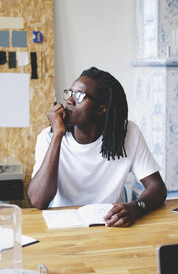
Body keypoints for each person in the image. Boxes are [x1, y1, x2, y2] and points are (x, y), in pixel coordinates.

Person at [28, 67, 167, 227]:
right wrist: (57, 136)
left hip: (113, 225)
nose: (69, 101)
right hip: (65, 227)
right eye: (70, 93)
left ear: (101, 109)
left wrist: (137, 207)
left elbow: (157, 187)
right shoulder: (49, 137)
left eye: (79, 96)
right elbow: (38, 200)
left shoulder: (126, 134)